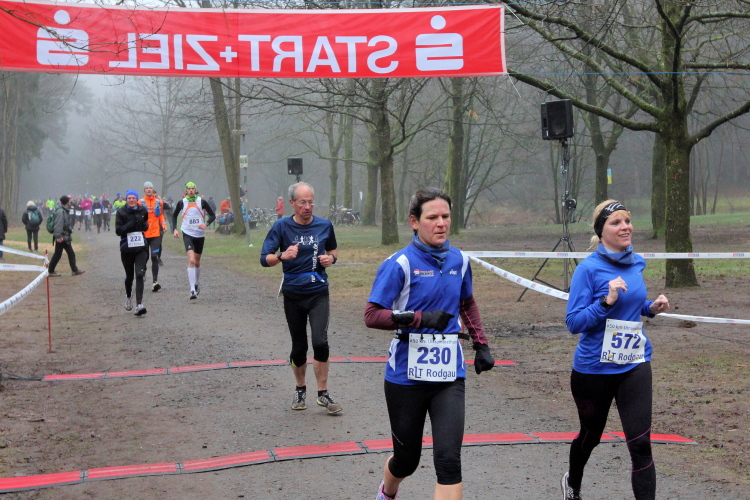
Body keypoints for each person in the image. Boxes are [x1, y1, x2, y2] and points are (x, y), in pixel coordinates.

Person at [364, 187, 494, 500]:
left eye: (445, 216)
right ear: (414, 221)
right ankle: (387, 492)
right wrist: (418, 318)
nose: (441, 223)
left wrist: (481, 344)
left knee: (449, 461)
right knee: (406, 460)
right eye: (432, 217)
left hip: (449, 375)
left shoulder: (460, 260)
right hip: (405, 376)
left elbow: (466, 302)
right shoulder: (400, 264)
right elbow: (372, 315)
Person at [562, 200, 670, 500]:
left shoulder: (637, 262)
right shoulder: (587, 269)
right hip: (593, 369)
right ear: (601, 231)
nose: (625, 227)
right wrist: (605, 302)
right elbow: (573, 322)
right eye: (616, 222)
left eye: (627, 221)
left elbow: (633, 305)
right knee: (590, 436)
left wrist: (651, 308)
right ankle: (573, 483)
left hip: (634, 362)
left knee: (640, 443)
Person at [260, 182, 343, 415]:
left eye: (311, 202)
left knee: (320, 342)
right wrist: (282, 256)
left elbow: (333, 250)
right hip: (293, 294)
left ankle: (323, 393)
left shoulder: (325, 225)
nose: (307, 207)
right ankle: (300, 389)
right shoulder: (281, 227)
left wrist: (331, 259)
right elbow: (264, 258)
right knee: (299, 346)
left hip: (318, 292)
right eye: (303, 202)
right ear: (292, 203)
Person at [171, 182, 215, 299]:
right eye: (189, 189)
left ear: (196, 190)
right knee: (191, 260)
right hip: (187, 233)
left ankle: (197, 282)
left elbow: (212, 215)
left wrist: (206, 224)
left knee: (197, 262)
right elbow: (174, 215)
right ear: (186, 191)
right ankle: (192, 290)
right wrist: (175, 229)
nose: (191, 190)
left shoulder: (202, 202)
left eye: (192, 189)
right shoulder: (182, 202)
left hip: (199, 235)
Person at [115, 190, 149, 316]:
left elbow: (145, 226)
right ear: (126, 199)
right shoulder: (121, 212)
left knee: (139, 274)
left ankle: (139, 304)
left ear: (137, 199)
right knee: (129, 276)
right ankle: (128, 296)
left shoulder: (143, 210)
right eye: (129, 198)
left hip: (141, 247)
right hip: (126, 247)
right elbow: (118, 231)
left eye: (133, 198)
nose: (131, 200)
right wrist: (131, 223)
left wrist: (143, 224)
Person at [48, 195, 85, 277]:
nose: (70, 202)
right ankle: (51, 271)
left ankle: (74, 270)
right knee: (58, 254)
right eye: (69, 200)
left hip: (65, 236)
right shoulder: (60, 212)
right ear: (67, 202)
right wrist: (58, 236)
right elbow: (58, 225)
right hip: (62, 237)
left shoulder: (64, 210)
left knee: (70, 253)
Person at [141, 182, 166, 292]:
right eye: (147, 188)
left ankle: (155, 282)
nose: (149, 190)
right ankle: (143, 272)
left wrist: (163, 224)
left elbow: (160, 215)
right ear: (144, 190)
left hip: (156, 234)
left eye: (150, 188)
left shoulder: (158, 202)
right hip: (144, 234)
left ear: (153, 189)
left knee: (154, 256)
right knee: (144, 257)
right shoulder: (140, 202)